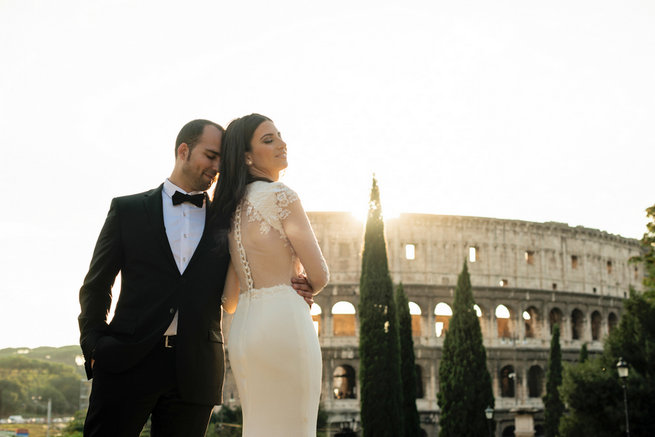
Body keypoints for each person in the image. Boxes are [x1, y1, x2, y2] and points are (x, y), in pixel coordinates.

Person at [78, 118, 316, 437]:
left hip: (195, 370)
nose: (217, 166)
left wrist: (295, 285)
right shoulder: (128, 210)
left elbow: (250, 273)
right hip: (125, 362)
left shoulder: (228, 217)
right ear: (183, 150)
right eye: (210, 155)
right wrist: (94, 346)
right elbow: (97, 284)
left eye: (222, 158)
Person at [211, 113, 329, 437]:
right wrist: (309, 284)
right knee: (296, 427)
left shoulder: (230, 208)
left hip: (245, 332)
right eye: (269, 139)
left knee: (258, 428)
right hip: (285, 323)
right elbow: (319, 273)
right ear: (247, 157)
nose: (281, 143)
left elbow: (229, 300)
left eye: (279, 136)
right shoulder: (283, 196)